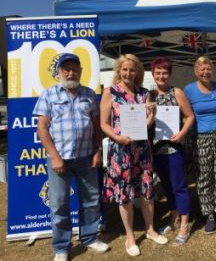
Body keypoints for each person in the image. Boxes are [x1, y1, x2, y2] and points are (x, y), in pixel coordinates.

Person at [34, 53, 109, 261]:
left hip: (86, 157)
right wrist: (55, 157)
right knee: (59, 204)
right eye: (65, 68)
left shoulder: (89, 94)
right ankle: (61, 247)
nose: (70, 72)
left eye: (74, 68)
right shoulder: (49, 94)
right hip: (59, 159)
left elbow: (95, 127)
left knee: (91, 200)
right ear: (58, 72)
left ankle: (90, 237)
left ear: (81, 71)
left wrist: (97, 151)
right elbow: (42, 128)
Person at [100, 54, 167, 257]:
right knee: (125, 193)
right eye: (125, 69)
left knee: (147, 191)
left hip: (142, 149)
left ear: (138, 71)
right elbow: (103, 123)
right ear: (119, 71)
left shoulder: (144, 93)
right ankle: (130, 236)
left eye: (132, 69)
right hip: (121, 151)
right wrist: (117, 138)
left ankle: (150, 229)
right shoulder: (110, 92)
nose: (129, 73)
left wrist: (152, 114)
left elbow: (146, 125)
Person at [184, 56, 216, 234]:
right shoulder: (189, 90)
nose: (205, 72)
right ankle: (209, 216)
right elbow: (185, 114)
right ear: (196, 71)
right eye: (201, 69)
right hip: (201, 138)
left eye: (208, 69)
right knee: (204, 177)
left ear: (212, 70)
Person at [150, 57, 194, 245]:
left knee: (179, 186)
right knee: (166, 186)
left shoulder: (177, 92)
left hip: (174, 146)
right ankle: (173, 217)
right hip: (154, 148)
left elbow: (190, 116)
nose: (161, 76)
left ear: (170, 74)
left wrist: (182, 133)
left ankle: (184, 225)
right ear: (152, 74)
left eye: (165, 72)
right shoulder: (148, 95)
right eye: (158, 72)